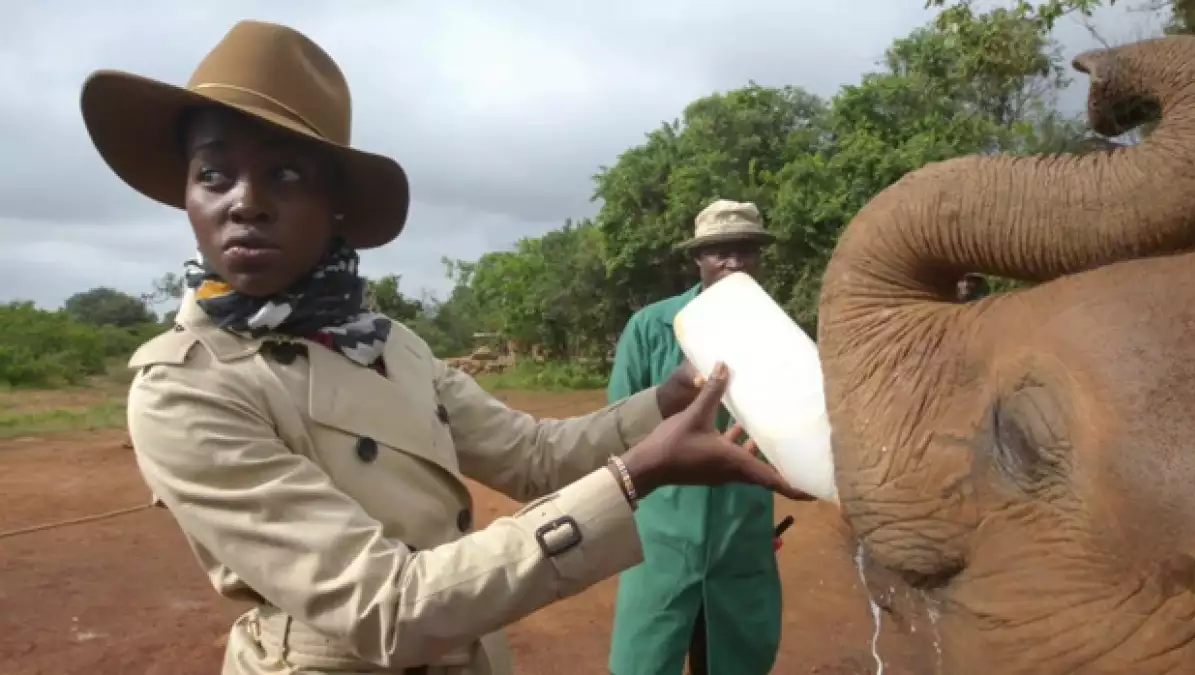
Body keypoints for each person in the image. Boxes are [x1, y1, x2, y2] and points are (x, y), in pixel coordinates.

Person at [82, 21, 809, 675]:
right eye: (214, 173)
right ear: (187, 196)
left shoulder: (389, 345)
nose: (244, 200)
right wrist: (634, 477)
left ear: (335, 204)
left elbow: (533, 455)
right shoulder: (185, 385)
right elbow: (385, 607)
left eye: (285, 171)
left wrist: (671, 398)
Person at [608, 199, 798, 675]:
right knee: (647, 658)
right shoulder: (652, 326)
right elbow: (614, 425)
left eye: (745, 249)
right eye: (719, 251)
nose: (733, 262)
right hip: (661, 534)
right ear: (697, 258)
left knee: (737, 657)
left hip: (743, 533)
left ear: (759, 256)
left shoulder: (781, 333)